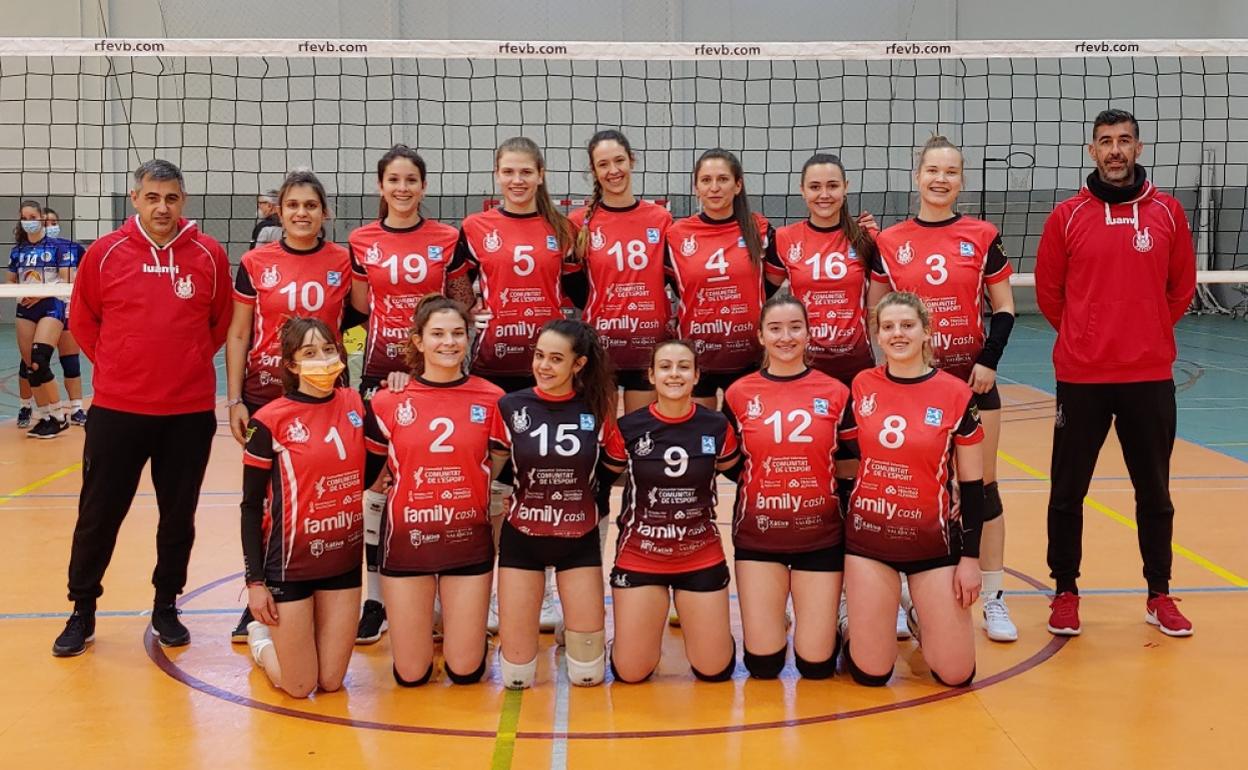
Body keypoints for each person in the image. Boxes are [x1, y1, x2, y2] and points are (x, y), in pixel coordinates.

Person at [52, 159, 232, 657]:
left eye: (171, 198)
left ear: (184, 202)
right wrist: (117, 365)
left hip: (187, 413)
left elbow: (218, 323)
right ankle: (82, 608)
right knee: (98, 514)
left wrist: (189, 361)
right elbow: (82, 318)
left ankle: (166, 605)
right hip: (118, 410)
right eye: (152, 197)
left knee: (179, 517)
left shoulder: (209, 254)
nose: (162, 207)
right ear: (135, 199)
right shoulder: (106, 254)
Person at [1036, 108, 1197, 638]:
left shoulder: (1169, 213)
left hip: (1148, 376)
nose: (1114, 150)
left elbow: (1180, 289)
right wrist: (1087, 337)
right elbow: (1050, 294)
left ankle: (1159, 593)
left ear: (1139, 148)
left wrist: (1144, 334)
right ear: (1092, 151)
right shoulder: (1067, 216)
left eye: (1124, 140)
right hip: (1082, 377)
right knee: (1067, 490)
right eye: (1105, 141)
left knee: (1154, 491)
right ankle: (1064, 590)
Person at [871, 135, 1019, 643]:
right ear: (917, 177)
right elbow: (876, 314)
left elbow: (1003, 309)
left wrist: (988, 362)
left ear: (961, 180)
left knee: (986, 487)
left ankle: (995, 600)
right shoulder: (889, 241)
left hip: (969, 380)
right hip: (911, 387)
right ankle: (902, 598)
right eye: (932, 170)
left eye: (951, 172)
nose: (940, 180)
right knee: (912, 487)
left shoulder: (982, 234)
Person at [348, 145, 472, 644]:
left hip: (438, 374)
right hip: (381, 372)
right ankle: (376, 600)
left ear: (423, 186)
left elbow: (460, 304)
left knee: (440, 480)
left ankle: (446, 600)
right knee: (377, 487)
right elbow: (361, 306)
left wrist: (427, 365)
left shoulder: (447, 237)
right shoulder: (362, 239)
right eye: (393, 180)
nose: (402, 189)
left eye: (411, 180)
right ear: (381, 187)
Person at [225, 169, 354, 642]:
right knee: (265, 499)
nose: (301, 213)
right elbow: (239, 332)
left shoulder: (343, 259)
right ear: (279, 210)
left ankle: (315, 587)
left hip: (324, 394)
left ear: (324, 213)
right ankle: (258, 592)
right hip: (266, 394)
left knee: (323, 494)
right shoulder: (256, 261)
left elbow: (359, 317)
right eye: (293, 205)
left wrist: (346, 372)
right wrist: (235, 397)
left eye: (311, 206)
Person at [458, 136, 579, 634]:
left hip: (549, 372)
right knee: (494, 482)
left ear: (541, 174)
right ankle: (487, 592)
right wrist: (468, 308)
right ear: (496, 174)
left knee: (548, 478)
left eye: (525, 172)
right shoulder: (474, 228)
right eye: (508, 172)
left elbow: (578, 291)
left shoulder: (563, 229)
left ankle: (549, 585)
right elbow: (456, 282)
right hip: (492, 368)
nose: (517, 180)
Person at [843, 291, 984, 688]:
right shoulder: (862, 385)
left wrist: (970, 560)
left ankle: (922, 614)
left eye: (907, 325)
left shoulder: (956, 394)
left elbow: (974, 487)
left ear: (926, 332)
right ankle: (849, 621)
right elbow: (849, 457)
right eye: (887, 327)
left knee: (956, 674)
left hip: (932, 544)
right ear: (877, 335)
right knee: (871, 673)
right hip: (870, 541)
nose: (897, 333)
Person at [364, 295, 502, 686]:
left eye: (458, 333)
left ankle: (470, 639)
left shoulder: (492, 399)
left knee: (464, 671)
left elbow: (502, 461)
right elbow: (369, 472)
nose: (449, 342)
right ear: (418, 341)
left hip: (466, 540)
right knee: (410, 674)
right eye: (437, 334)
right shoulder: (389, 401)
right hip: (409, 539)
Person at [722, 295, 857, 679]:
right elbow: (730, 461)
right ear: (761, 336)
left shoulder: (836, 392)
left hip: (820, 537)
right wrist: (766, 483)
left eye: (795, 327)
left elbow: (853, 459)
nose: (786, 337)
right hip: (759, 536)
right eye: (775, 329)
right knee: (764, 667)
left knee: (816, 668)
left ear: (809, 333)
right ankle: (773, 616)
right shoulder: (738, 393)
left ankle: (843, 622)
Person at [488, 319, 625, 689]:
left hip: (578, 540)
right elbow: (493, 470)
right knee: (516, 677)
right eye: (539, 356)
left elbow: (613, 468)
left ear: (578, 364)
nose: (543, 366)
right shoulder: (510, 406)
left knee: (588, 674)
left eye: (555, 359)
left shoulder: (598, 408)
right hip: (523, 538)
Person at [242, 317, 365, 698]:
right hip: (289, 565)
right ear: (292, 365)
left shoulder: (355, 402)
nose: (323, 360)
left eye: (329, 350)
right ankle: (262, 642)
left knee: (331, 682)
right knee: (299, 686)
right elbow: (249, 506)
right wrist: (255, 583)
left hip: (342, 561)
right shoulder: (268, 421)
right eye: (310, 353)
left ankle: (295, 638)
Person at [606, 339, 738, 684]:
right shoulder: (629, 428)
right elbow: (605, 478)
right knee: (631, 673)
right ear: (651, 375)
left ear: (696, 376)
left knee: (714, 670)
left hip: (700, 554)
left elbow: (732, 470)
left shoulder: (717, 426)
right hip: (641, 555)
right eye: (665, 366)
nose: (674, 374)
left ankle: (713, 637)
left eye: (683, 367)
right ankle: (631, 641)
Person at [665, 148, 776, 409]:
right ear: (696, 187)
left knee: (746, 436)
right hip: (695, 354)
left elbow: (768, 284)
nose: (714, 188)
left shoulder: (759, 228)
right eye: (706, 180)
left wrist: (745, 303)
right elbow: (677, 285)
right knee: (699, 437)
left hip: (749, 354)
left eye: (723, 179)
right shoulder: (677, 234)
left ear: (738, 185)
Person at [8, 200, 76, 438]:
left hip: (51, 305)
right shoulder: (18, 250)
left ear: (41, 218)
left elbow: (67, 281)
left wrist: (39, 294)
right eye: (24, 217)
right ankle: (46, 417)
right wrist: (21, 292)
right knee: (30, 368)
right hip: (25, 308)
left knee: (40, 359)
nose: (29, 221)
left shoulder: (58, 247)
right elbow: (10, 282)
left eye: (33, 216)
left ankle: (59, 415)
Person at [40, 207, 88, 426]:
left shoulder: (72, 247)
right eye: (46, 222)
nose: (50, 226)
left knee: (71, 362)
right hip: (43, 312)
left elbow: (87, 272)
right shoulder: (31, 250)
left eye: (53, 222)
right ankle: (41, 409)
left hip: (68, 311)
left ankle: (77, 409)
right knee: (35, 362)